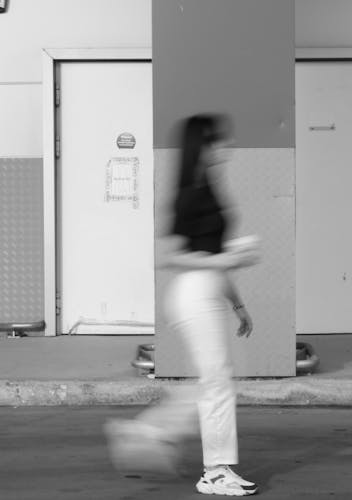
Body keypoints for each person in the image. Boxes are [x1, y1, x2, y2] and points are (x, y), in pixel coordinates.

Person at [105, 114, 260, 496]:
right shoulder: (191, 192)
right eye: (219, 141)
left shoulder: (210, 187)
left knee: (216, 380)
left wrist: (238, 304)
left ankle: (149, 432)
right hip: (193, 293)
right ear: (203, 145)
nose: (226, 148)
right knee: (218, 382)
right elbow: (173, 257)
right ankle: (215, 472)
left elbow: (213, 252)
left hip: (208, 291)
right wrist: (224, 261)